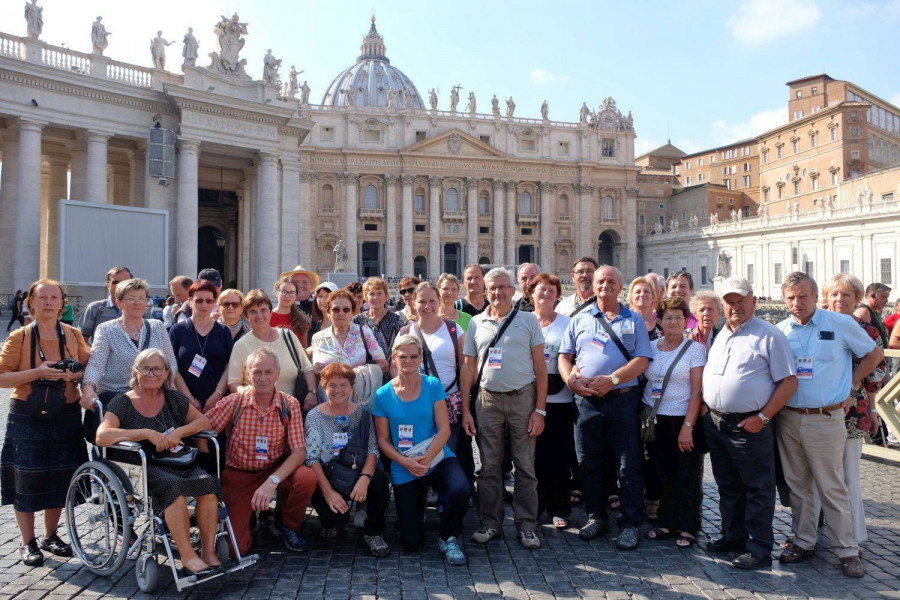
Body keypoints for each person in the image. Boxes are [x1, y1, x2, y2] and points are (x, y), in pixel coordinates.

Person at [776, 272, 881, 578]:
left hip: (826, 417)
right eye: (791, 297)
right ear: (785, 300)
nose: (797, 303)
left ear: (815, 296)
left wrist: (850, 381)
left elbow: (874, 354)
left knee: (831, 485)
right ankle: (804, 540)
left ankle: (847, 549)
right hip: (790, 416)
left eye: (803, 296)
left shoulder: (841, 324)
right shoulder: (781, 330)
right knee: (798, 485)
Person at [95, 349, 222, 576]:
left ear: (166, 374)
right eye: (145, 368)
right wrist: (144, 433)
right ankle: (187, 556)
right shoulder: (122, 402)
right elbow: (102, 436)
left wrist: (180, 432)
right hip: (143, 466)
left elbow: (203, 421)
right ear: (135, 371)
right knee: (174, 490)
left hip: (177, 460)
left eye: (157, 369)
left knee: (208, 485)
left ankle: (208, 552)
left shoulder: (173, 399)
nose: (151, 374)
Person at [702, 277, 797, 571]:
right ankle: (734, 536)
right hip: (717, 423)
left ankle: (759, 547)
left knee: (757, 487)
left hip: (749, 423)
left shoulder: (769, 336)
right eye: (729, 301)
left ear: (754, 302)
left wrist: (763, 417)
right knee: (728, 484)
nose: (735, 306)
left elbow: (789, 381)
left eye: (741, 300)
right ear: (722, 305)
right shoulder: (722, 334)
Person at [558, 265, 651, 550]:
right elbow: (565, 356)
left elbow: (642, 360)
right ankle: (596, 516)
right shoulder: (580, 319)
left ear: (619, 285)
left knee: (628, 464)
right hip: (586, 402)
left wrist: (612, 379)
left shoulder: (633, 320)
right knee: (588, 462)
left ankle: (630, 523)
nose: (605, 285)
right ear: (593, 285)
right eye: (600, 281)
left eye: (611, 280)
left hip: (622, 400)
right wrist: (570, 381)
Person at [0, 279, 92, 566]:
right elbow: (2, 377)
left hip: (66, 413)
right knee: (25, 477)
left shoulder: (74, 334)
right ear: (32, 303)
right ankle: (27, 542)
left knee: (61, 476)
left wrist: (75, 377)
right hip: (27, 413)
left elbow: (88, 366)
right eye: (43, 297)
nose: (49, 302)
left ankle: (50, 536)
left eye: (54, 297)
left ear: (62, 303)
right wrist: (37, 372)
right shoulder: (20, 337)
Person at [460, 268, 547, 550]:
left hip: (523, 398)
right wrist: (466, 409)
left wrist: (540, 410)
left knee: (525, 465)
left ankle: (527, 526)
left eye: (503, 287)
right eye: (492, 288)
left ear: (513, 290)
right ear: (485, 293)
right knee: (488, 466)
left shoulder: (528, 320)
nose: (498, 292)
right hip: (487, 400)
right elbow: (468, 367)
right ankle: (490, 523)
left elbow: (541, 368)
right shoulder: (476, 322)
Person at [207, 348, 317, 554]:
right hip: (241, 473)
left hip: (275, 469)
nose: (263, 378)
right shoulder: (235, 401)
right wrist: (176, 435)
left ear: (277, 373)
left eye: (268, 372)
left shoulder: (289, 404)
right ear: (248, 374)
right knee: (234, 549)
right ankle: (247, 517)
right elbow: (205, 425)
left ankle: (286, 524)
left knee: (306, 477)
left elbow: (299, 452)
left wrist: (272, 481)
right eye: (257, 372)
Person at [373, 335, 471, 565]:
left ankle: (448, 537)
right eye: (403, 356)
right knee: (411, 543)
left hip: (436, 456)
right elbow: (383, 440)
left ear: (420, 359)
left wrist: (426, 459)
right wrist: (406, 462)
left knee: (461, 489)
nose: (408, 360)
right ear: (394, 359)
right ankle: (416, 514)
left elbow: (444, 429)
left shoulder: (432, 385)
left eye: (413, 356)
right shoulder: (382, 395)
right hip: (404, 463)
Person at [820, 273, 885, 548]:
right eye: (834, 294)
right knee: (817, 472)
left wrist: (869, 407)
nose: (839, 299)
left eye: (846, 295)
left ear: (856, 298)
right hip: (819, 408)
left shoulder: (867, 330)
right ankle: (813, 532)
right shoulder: (818, 323)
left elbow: (877, 372)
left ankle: (854, 534)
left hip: (853, 408)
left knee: (849, 474)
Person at [304, 363, 390, 557]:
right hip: (328, 474)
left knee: (379, 481)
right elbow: (311, 458)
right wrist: (328, 493)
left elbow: (372, 450)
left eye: (343, 385)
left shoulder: (362, 413)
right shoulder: (315, 416)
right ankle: (330, 523)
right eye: (332, 385)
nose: (338, 390)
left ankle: (374, 532)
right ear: (323, 387)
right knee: (334, 519)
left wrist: (364, 478)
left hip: (356, 469)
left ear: (352, 387)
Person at [642, 297, 707, 548]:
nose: (673, 322)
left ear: (686, 321)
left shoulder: (694, 350)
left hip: (683, 419)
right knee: (663, 472)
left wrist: (688, 427)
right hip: (656, 419)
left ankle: (689, 527)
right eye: (668, 317)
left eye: (678, 317)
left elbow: (696, 392)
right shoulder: (650, 347)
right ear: (659, 321)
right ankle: (666, 521)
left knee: (687, 475)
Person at [82, 278, 193, 408]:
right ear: (119, 303)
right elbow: (96, 364)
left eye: (141, 298)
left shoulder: (157, 326)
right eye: (131, 298)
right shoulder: (106, 329)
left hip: (153, 397)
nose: (137, 303)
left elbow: (170, 362)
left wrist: (159, 384)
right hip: (117, 399)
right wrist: (88, 388)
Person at [531, 273, 576, 528]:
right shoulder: (524, 322)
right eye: (541, 290)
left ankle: (559, 507)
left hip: (560, 399)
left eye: (550, 290)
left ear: (558, 295)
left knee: (559, 454)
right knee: (533, 456)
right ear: (531, 294)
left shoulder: (568, 323)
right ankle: (534, 506)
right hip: (529, 395)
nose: (545, 294)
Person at [226, 290, 316, 412]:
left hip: (291, 410)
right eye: (253, 312)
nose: (259, 316)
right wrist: (251, 394)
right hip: (256, 411)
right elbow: (234, 383)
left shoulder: (288, 336)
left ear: (270, 312)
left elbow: (307, 367)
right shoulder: (240, 345)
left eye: (263, 310)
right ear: (246, 317)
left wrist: (312, 392)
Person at [310, 290, 388, 401]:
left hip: (357, 399)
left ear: (352, 313)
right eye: (336, 309)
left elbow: (384, 365)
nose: (341, 313)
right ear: (328, 312)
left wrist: (359, 373)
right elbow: (315, 372)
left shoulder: (364, 333)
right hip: (327, 400)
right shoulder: (318, 338)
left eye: (346, 310)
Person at [169, 280, 233, 411]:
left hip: (218, 403)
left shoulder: (224, 331)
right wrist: (190, 399)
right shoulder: (177, 331)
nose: (204, 305)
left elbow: (229, 366)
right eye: (199, 300)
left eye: (209, 301)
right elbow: (171, 366)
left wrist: (217, 396)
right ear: (190, 301)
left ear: (215, 302)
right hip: (184, 402)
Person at [354, 277, 407, 360]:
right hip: (366, 370)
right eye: (371, 294)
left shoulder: (397, 320)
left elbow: (403, 346)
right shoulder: (357, 321)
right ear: (366, 297)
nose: (375, 297)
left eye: (379, 293)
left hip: (391, 369)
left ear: (386, 296)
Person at [78, 266, 138, 341]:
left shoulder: (140, 309)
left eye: (124, 282)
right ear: (108, 285)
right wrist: (98, 351)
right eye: (115, 282)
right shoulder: (95, 309)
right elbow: (80, 340)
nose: (119, 285)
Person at [271, 277, 311, 348]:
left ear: (296, 295)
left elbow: (303, 349)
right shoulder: (266, 318)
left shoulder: (302, 321)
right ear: (276, 293)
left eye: (291, 292)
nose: (287, 296)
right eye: (283, 292)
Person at [855, 282, 892, 349]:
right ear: (872, 295)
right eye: (883, 297)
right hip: (873, 357)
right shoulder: (864, 311)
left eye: (887, 297)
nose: (886, 300)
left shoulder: (872, 311)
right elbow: (861, 339)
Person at [628, 276, 662, 341]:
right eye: (638, 292)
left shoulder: (662, 324)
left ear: (653, 297)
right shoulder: (624, 323)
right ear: (631, 297)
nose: (642, 294)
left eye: (646, 291)